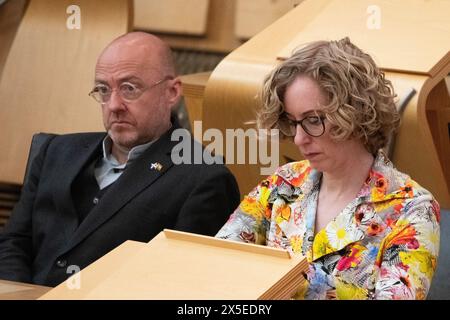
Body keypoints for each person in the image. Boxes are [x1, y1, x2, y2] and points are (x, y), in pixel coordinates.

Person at [0, 32, 240, 287]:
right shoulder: (55, 151)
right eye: (103, 90)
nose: (114, 104)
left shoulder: (203, 179)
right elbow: (13, 243)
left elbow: (182, 286)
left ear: (172, 92)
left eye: (129, 89)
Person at [216, 38, 440, 300]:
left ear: (355, 113)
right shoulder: (283, 183)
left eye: (313, 120)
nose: (299, 139)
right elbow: (220, 261)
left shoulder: (412, 208)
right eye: (293, 122)